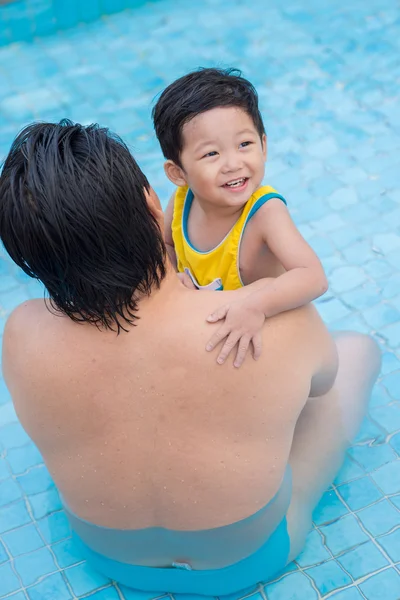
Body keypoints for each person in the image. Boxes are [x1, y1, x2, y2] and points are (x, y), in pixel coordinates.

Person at [0, 121, 380, 596]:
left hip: (109, 557)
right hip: (245, 560)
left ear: (26, 256)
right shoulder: (271, 321)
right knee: (356, 351)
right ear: (151, 203)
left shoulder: (19, 333)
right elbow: (322, 384)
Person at [152, 68, 328, 368]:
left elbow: (313, 277)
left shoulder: (265, 214)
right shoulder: (182, 201)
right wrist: (172, 279)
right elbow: (166, 244)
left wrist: (256, 306)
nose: (233, 164)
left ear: (264, 145)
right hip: (213, 334)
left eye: (244, 145)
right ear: (178, 173)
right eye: (211, 154)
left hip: (262, 334)